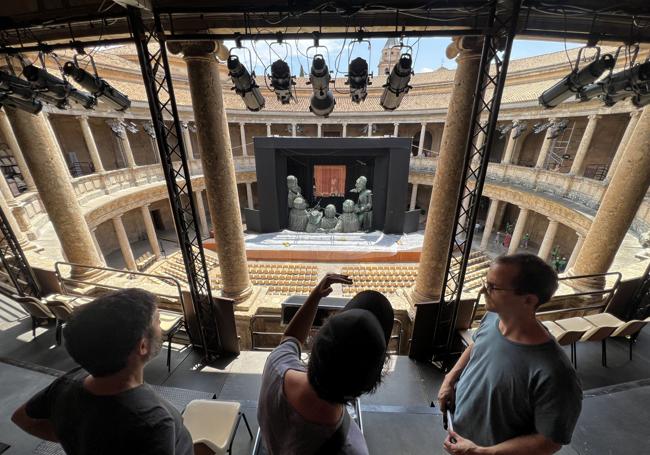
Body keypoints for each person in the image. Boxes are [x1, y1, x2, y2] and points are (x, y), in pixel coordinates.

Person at [11, 289, 193, 455]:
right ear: (143, 346)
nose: (160, 327)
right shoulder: (153, 423)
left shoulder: (68, 383)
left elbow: (22, 418)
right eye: (158, 322)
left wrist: (76, 442)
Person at [437, 254, 582, 455]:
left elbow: (550, 441)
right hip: (461, 440)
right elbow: (477, 345)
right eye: (485, 283)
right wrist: (450, 378)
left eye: (493, 287)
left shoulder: (556, 373)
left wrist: (482, 452)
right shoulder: (492, 318)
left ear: (529, 300)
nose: (482, 291)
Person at [258, 274, 394, 455]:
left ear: (315, 342)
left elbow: (291, 339)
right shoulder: (351, 448)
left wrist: (316, 296)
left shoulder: (276, 366)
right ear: (366, 386)